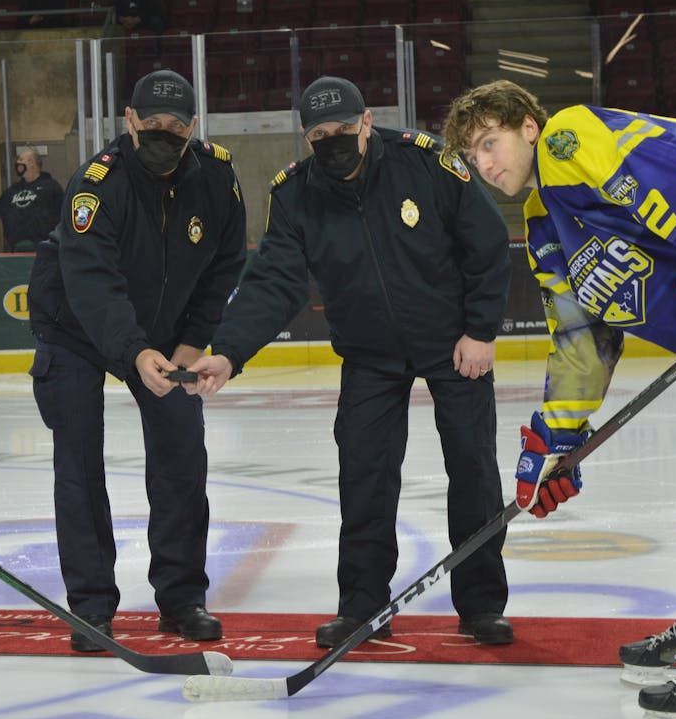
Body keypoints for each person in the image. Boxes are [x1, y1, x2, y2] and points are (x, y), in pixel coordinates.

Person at [442, 79, 676, 719]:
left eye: (489, 142)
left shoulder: (569, 137)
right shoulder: (545, 222)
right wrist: (551, 446)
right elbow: (582, 342)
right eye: (472, 158)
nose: (485, 165)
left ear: (526, 126)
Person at [186, 76, 514, 649]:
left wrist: (480, 332)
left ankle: (481, 605)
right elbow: (273, 284)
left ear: (366, 122)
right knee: (364, 476)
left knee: (473, 470)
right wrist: (229, 352)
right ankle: (362, 606)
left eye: (343, 130)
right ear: (307, 138)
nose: (333, 142)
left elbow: (485, 244)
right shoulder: (295, 194)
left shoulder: (426, 163)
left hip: (451, 344)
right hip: (370, 354)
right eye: (320, 135)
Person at [26, 70, 247, 652]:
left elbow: (224, 267)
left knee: (180, 457)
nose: (163, 135)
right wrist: (134, 350)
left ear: (193, 127)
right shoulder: (95, 185)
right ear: (128, 121)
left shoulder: (218, 179)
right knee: (78, 464)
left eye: (176, 127)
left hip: (166, 334)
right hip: (74, 327)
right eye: (152, 125)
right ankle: (92, 608)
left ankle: (181, 599)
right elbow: (94, 284)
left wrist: (191, 343)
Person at [0, 148, 64, 252]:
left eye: (22, 159)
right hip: (16, 250)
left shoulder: (51, 187)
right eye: (18, 160)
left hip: (45, 250)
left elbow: (64, 214)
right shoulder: (12, 191)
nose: (18, 162)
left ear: (32, 163)